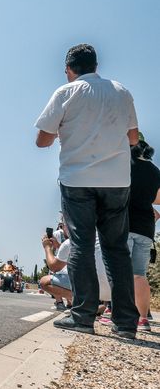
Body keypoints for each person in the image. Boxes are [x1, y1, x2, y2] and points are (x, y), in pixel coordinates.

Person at [35, 44, 140, 338]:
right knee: (117, 249)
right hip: (118, 181)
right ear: (96, 66)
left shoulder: (65, 92)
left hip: (78, 179)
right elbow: (133, 138)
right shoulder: (121, 91)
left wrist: (67, 132)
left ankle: (82, 316)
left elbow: (42, 140)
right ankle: (125, 323)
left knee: (81, 245)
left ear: (69, 69)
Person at [127, 137, 160, 331]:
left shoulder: (124, 164)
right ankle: (143, 319)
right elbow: (157, 199)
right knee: (139, 274)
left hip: (125, 224)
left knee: (120, 270)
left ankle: (115, 311)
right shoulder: (155, 171)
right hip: (146, 227)